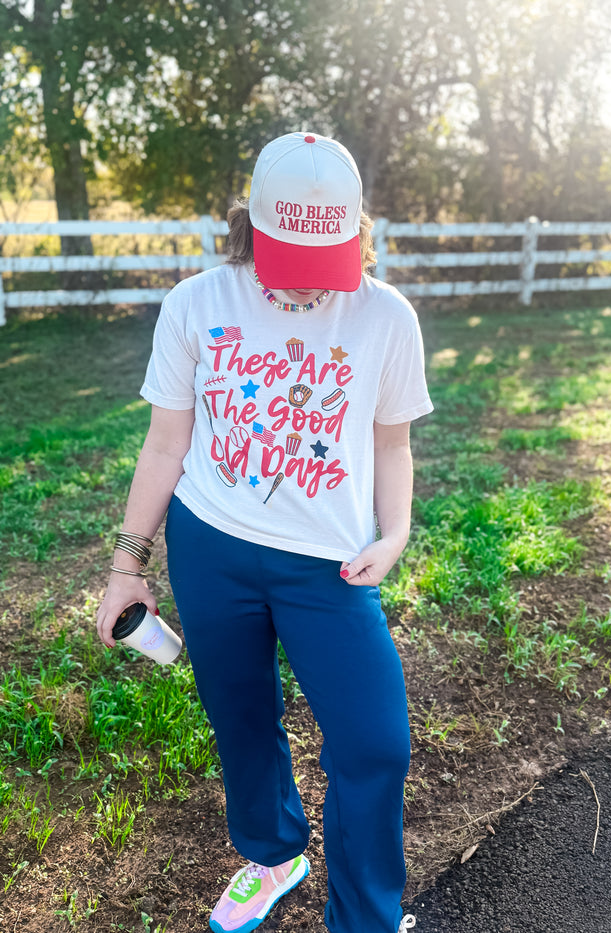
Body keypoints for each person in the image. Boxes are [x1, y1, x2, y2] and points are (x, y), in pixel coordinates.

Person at [96, 131, 432, 933]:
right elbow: (166, 444)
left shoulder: (387, 318)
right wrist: (126, 568)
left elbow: (393, 442)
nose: (313, 292)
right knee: (241, 716)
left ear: (357, 232)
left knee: (376, 745)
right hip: (213, 548)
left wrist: (396, 533)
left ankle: (367, 919)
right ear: (252, 225)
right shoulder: (196, 304)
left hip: (331, 567)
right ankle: (273, 853)